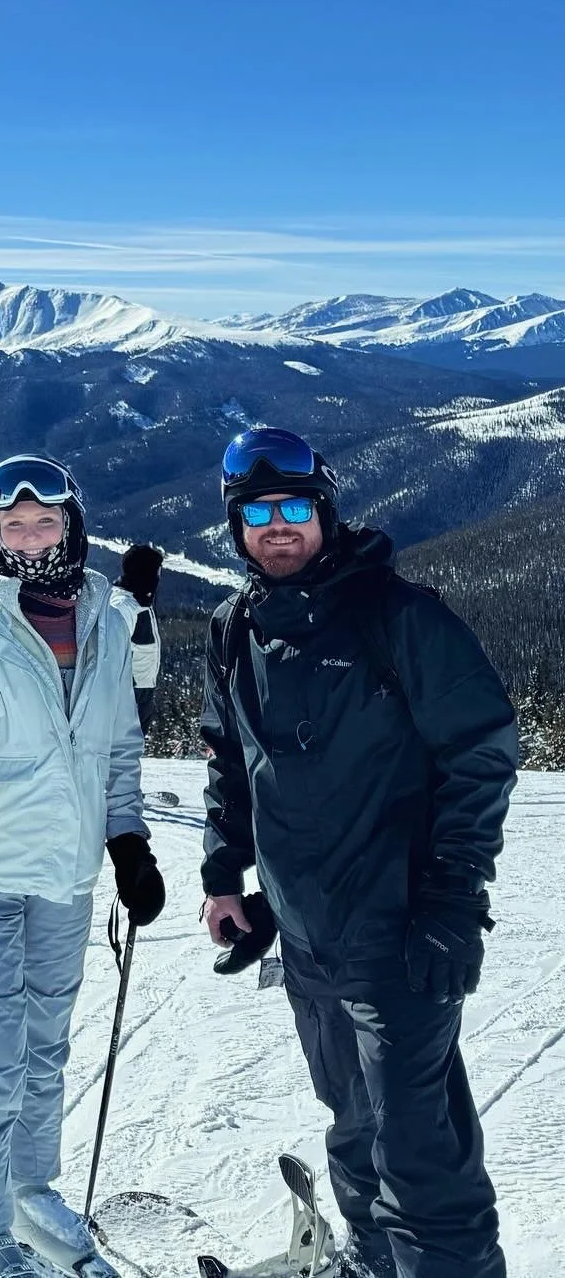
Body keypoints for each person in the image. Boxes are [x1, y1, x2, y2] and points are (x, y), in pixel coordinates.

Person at [201, 426, 518, 1278]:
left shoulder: (398, 618)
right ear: (235, 526)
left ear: (326, 512)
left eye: (295, 508)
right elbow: (232, 760)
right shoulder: (234, 630)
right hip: (307, 940)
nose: (278, 526)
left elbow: (483, 753)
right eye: (258, 512)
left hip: (402, 937)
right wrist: (227, 876)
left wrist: (453, 903)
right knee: (351, 1122)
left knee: (421, 1156)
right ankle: (373, 1265)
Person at [0, 454, 165, 1278]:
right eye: (11, 526)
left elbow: (120, 747)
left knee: (47, 1045)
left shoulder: (105, 614)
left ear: (72, 524)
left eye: (43, 521)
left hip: (65, 874)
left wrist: (127, 843)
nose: (28, 537)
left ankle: (31, 1187)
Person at [115, 544, 163, 737]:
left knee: (133, 749)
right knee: (124, 751)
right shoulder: (123, 606)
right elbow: (110, 654)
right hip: (130, 693)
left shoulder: (138, 601)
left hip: (141, 689)